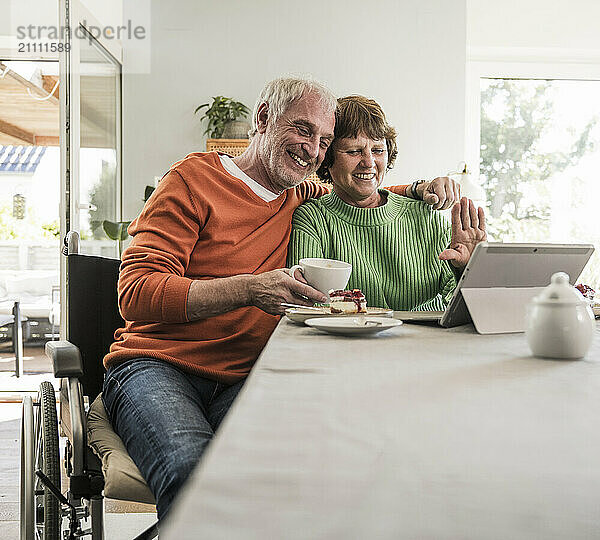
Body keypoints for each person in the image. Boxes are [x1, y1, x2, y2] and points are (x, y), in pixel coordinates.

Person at [101, 77, 461, 520]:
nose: (313, 149)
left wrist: (423, 188)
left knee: (301, 468)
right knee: (194, 475)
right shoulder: (192, 181)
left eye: (325, 140)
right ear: (264, 119)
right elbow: (136, 292)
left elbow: (361, 189)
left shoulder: (300, 191)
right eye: (303, 130)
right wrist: (250, 287)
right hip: (158, 366)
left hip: (250, 374)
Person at [288, 95, 487, 310]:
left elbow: (461, 305)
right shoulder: (312, 219)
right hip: (345, 343)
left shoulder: (426, 217)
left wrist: (469, 269)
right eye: (354, 151)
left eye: (378, 150)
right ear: (327, 159)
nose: (369, 163)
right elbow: (308, 305)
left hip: (425, 341)